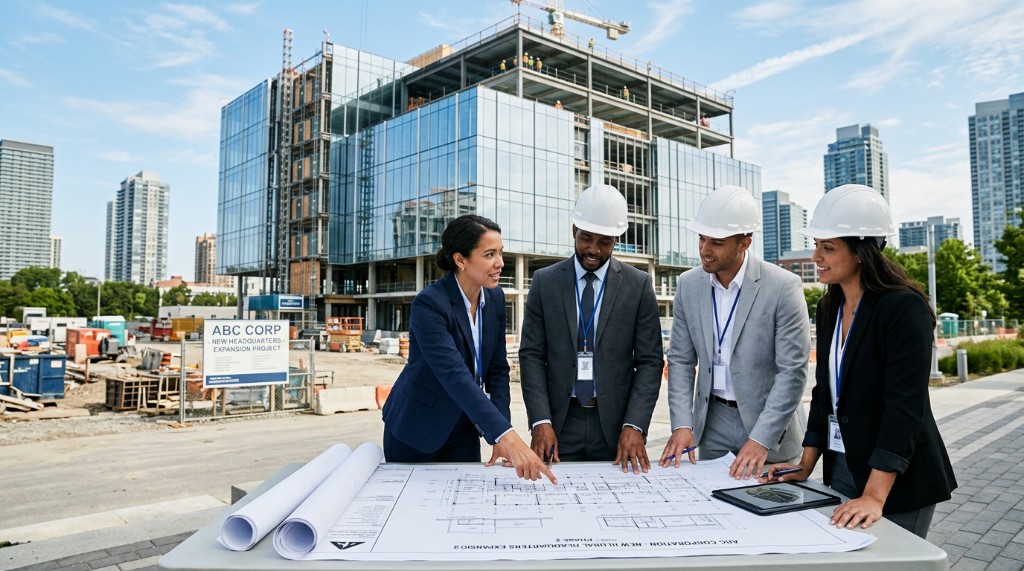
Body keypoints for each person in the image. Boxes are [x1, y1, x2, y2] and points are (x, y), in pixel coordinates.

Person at [762, 184, 957, 538]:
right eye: (817, 245)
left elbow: (904, 408)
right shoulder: (829, 306)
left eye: (828, 248)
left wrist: (873, 494)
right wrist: (807, 462)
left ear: (862, 252)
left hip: (895, 478)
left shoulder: (903, 309)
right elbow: (824, 392)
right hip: (843, 462)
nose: (815, 256)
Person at [382, 215, 556, 484]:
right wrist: (507, 436)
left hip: (463, 426)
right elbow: (454, 375)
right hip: (416, 427)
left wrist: (500, 431)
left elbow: (498, 370)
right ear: (460, 260)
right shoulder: (429, 305)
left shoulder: (495, 297)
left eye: (500, 252)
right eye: (489, 254)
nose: (500, 263)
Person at [659, 185, 810, 480]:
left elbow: (792, 371)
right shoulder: (689, 285)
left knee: (773, 517)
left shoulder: (783, 287)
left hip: (771, 430)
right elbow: (679, 360)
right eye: (701, 239)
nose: (704, 250)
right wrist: (682, 424)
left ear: (744, 242)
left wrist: (761, 438)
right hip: (711, 425)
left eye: (716, 242)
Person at [520, 184, 664, 474]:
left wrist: (635, 424)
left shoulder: (638, 285)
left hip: (616, 427)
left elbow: (649, 361)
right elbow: (532, 356)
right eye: (587, 238)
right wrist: (540, 421)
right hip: (559, 424)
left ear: (616, 240)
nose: (594, 250)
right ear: (574, 230)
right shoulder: (544, 282)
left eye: (605, 242)